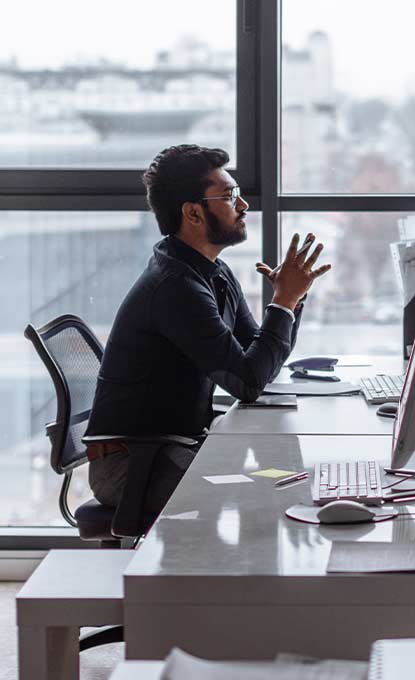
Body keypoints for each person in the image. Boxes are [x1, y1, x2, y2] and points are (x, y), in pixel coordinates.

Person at [85, 145, 331, 520]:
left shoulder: (211, 272)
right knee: (272, 493)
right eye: (230, 196)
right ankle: (225, 578)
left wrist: (292, 301)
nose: (244, 205)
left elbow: (256, 362)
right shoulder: (175, 287)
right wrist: (282, 302)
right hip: (133, 467)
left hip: (174, 448)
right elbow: (247, 382)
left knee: (287, 479)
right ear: (193, 213)